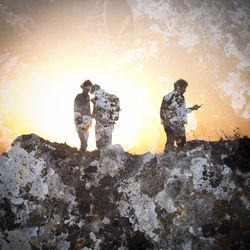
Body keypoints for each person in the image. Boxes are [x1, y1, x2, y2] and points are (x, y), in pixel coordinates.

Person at [160, 79, 201, 152]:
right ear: (178, 87)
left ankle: (170, 158)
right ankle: (170, 159)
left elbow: (180, 111)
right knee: (176, 143)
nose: (185, 90)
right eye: (184, 88)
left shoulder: (175, 97)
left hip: (174, 124)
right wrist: (168, 122)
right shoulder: (174, 96)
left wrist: (192, 108)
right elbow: (165, 111)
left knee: (176, 143)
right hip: (173, 123)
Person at [91, 84, 120, 150]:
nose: (94, 95)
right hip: (106, 124)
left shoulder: (111, 98)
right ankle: (104, 158)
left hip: (103, 125)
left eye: (94, 93)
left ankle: (104, 158)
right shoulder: (112, 97)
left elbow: (93, 114)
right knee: (105, 146)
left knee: (103, 145)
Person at [74, 80, 93, 154]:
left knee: (86, 135)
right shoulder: (79, 96)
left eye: (89, 89)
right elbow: (76, 107)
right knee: (82, 135)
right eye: (86, 88)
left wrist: (90, 118)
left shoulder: (88, 97)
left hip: (87, 119)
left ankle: (83, 151)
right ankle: (82, 151)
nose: (88, 90)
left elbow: (88, 108)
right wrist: (78, 118)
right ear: (83, 87)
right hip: (80, 118)